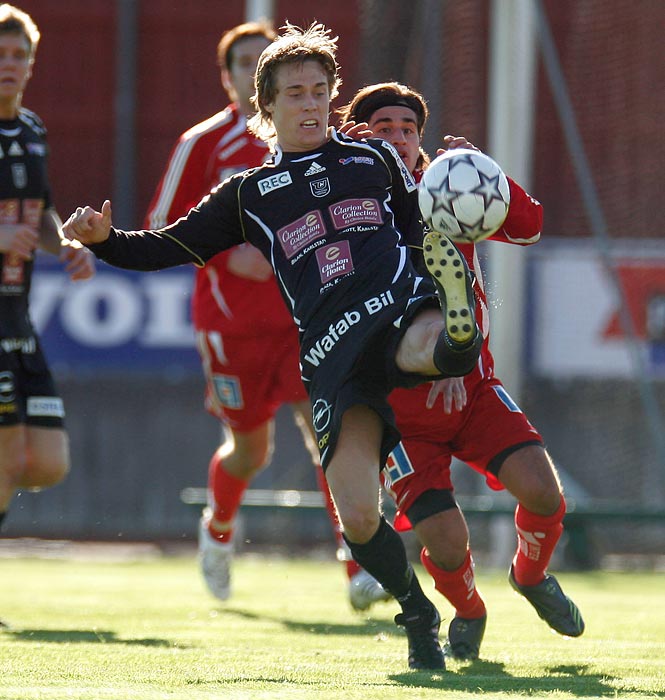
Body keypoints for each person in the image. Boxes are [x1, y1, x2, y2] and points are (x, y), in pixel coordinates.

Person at [63, 22, 484, 671]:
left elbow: (416, 231)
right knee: (359, 518)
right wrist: (104, 240)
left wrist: (448, 235)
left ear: (332, 96)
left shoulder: (371, 159)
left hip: (393, 307)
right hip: (330, 351)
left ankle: (455, 332)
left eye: (319, 91)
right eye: (294, 93)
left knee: (429, 338)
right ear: (266, 107)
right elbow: (171, 246)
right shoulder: (249, 194)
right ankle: (416, 609)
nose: (310, 104)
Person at [143, 20, 388, 611]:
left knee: (330, 439)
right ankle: (218, 531)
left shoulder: (322, 145)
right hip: (233, 328)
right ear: (241, 82)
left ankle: (361, 567)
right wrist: (233, 254)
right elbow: (160, 230)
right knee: (252, 449)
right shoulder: (204, 145)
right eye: (247, 62)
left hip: (309, 323)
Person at [337, 81, 584, 661]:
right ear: (357, 135)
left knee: (545, 495)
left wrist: (486, 175)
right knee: (447, 544)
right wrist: (427, 356)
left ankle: (529, 577)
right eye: (383, 129)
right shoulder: (349, 208)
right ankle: (469, 611)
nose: (398, 139)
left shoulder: (442, 188)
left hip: (473, 393)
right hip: (401, 416)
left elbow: (529, 225)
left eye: (407, 129)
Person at [0, 5, 95, 534]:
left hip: (18, 316)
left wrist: (65, 247)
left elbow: (39, 213)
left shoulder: (32, 130)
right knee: (8, 453)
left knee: (48, 461)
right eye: (1, 54)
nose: (9, 64)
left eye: (19, 55)